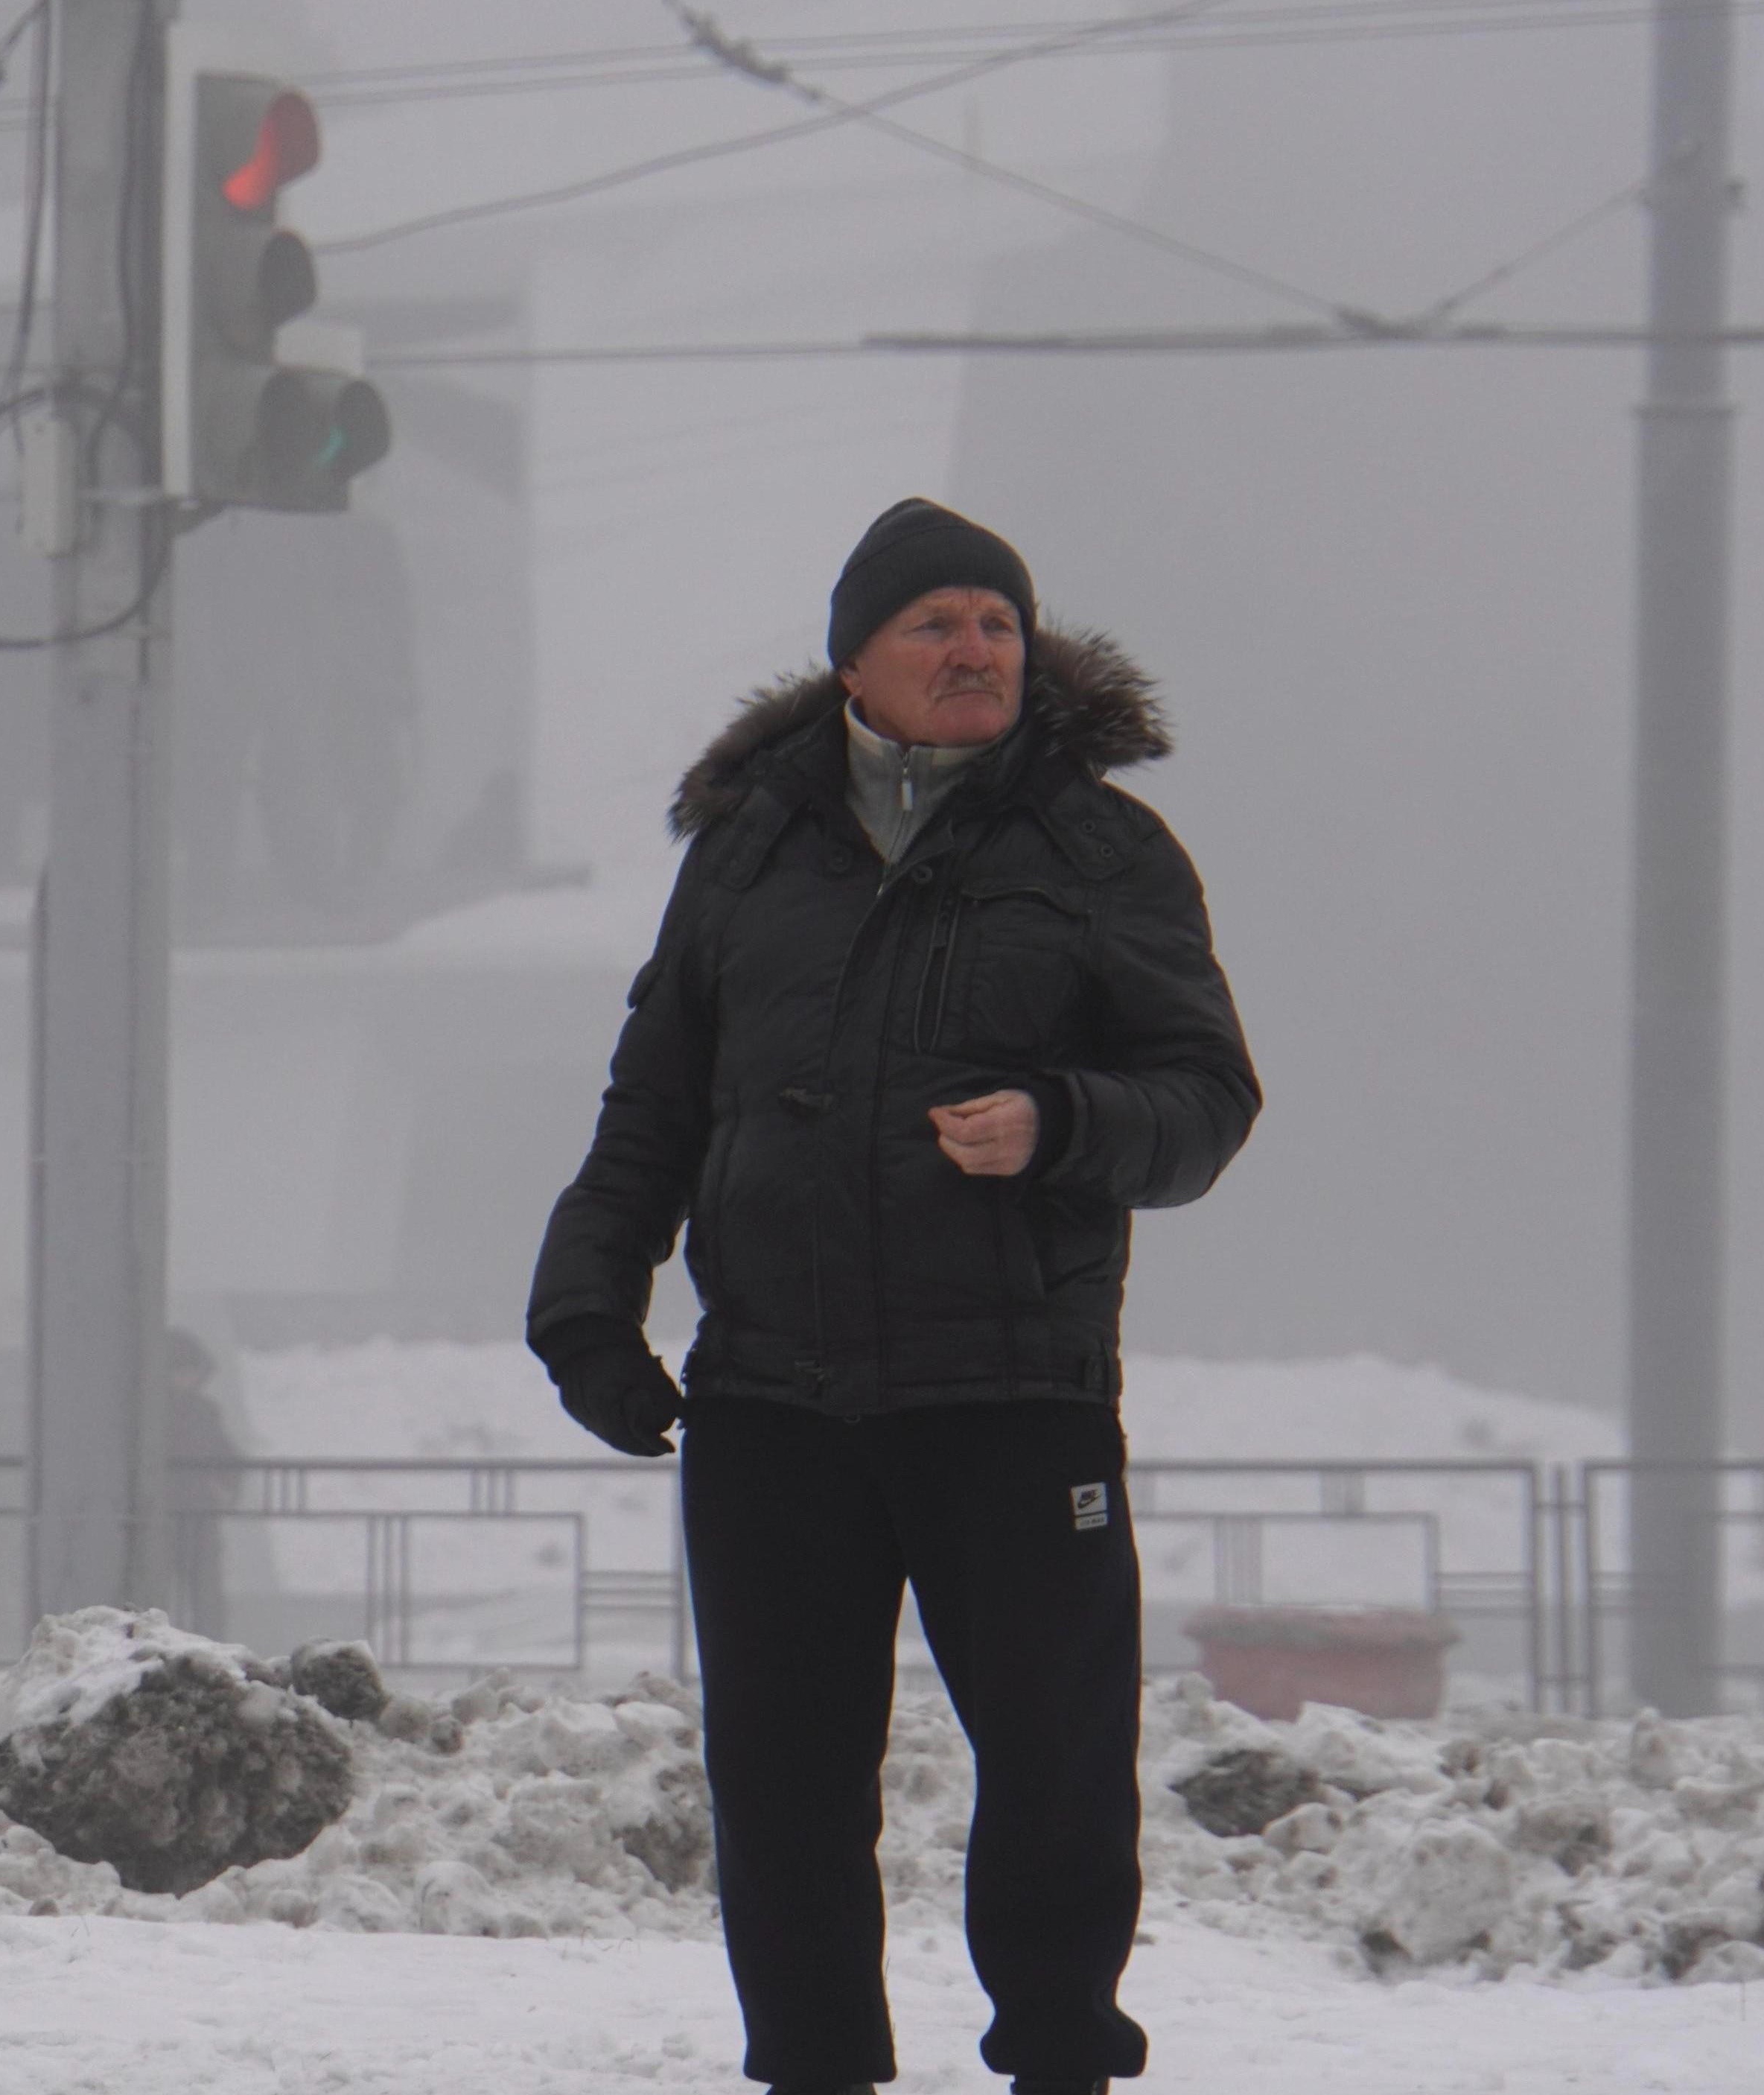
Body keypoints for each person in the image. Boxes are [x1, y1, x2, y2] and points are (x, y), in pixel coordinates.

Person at [525, 500, 1258, 2095]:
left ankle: (1061, 2057)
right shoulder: (748, 854)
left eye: (997, 622)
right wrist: (586, 1309)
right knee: (781, 1780)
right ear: (853, 659)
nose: (974, 648)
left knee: (1061, 1767)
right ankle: (812, 2067)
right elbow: (651, 1106)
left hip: (1012, 1389)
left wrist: (1062, 1120)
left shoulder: (1099, 849)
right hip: (774, 1401)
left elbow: (1204, 1098)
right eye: (935, 623)